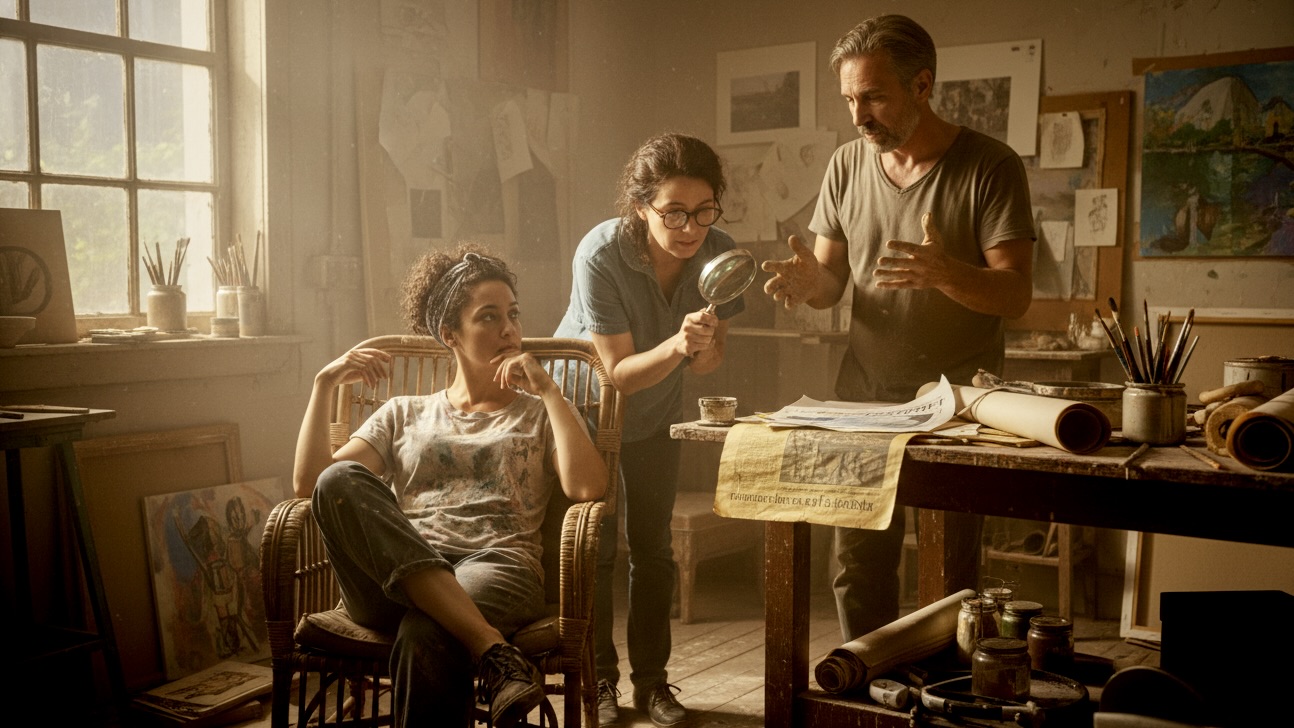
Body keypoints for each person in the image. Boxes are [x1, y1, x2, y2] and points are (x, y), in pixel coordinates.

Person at [762, 14, 1036, 642]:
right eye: (850, 100)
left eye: (875, 96)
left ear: (922, 85)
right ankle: (865, 691)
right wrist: (812, 286)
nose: (860, 115)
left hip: (959, 405)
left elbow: (1016, 294)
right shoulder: (846, 165)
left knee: (950, 575)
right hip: (862, 398)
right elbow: (834, 280)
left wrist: (946, 273)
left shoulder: (990, 165)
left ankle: (941, 702)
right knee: (857, 566)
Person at [292, 245, 609, 728]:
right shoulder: (404, 412)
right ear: (450, 334)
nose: (509, 329)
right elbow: (313, 486)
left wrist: (548, 390)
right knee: (340, 477)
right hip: (390, 581)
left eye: (513, 315)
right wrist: (324, 384)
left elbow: (588, 488)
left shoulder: (540, 413)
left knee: (426, 631)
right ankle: (491, 648)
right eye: (488, 317)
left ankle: (473, 637)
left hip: (496, 568)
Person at [554, 132, 744, 726]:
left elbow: (709, 361)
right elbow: (617, 374)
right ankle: (600, 683)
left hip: (658, 414)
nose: (691, 228)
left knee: (655, 551)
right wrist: (681, 342)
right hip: (591, 417)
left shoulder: (719, 253)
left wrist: (704, 345)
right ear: (641, 207)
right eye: (674, 213)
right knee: (599, 550)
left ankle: (654, 684)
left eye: (705, 210)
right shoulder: (601, 254)